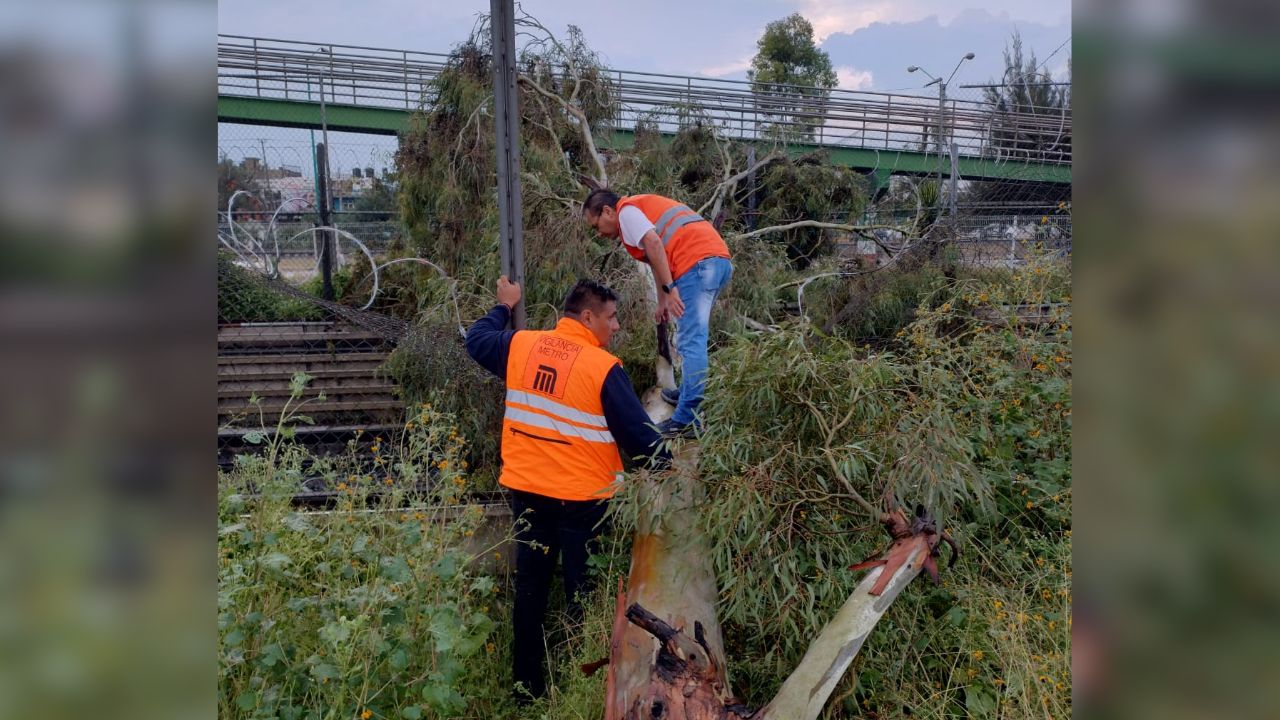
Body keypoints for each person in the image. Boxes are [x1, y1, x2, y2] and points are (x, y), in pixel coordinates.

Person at [465, 276, 668, 703]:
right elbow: (643, 442)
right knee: (584, 594)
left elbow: (477, 339)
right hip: (582, 503)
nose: (616, 328)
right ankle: (586, 690)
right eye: (611, 318)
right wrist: (671, 463)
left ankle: (526, 691)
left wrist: (505, 306)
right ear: (588, 316)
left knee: (531, 591)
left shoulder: (521, 345)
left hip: (528, 494)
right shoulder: (602, 369)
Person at [582, 189, 734, 437]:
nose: (599, 233)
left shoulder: (626, 213)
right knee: (692, 336)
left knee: (690, 340)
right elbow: (654, 255)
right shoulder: (635, 212)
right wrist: (663, 300)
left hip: (695, 263)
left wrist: (670, 287)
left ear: (607, 211)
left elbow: (653, 242)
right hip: (714, 260)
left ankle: (687, 420)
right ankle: (687, 394)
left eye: (596, 225)